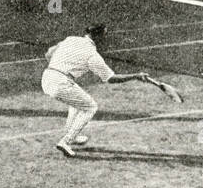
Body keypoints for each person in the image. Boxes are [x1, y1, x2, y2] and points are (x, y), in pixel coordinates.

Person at [41, 24, 146, 157]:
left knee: (76, 104)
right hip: (61, 83)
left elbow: (49, 52)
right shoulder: (92, 55)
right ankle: (65, 141)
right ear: (98, 36)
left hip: (47, 77)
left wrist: (60, 64)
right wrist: (135, 76)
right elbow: (111, 78)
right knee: (90, 107)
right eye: (104, 35)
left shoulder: (70, 39)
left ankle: (72, 134)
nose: (105, 38)